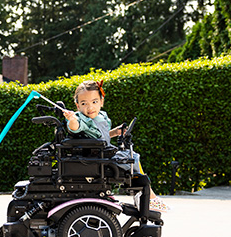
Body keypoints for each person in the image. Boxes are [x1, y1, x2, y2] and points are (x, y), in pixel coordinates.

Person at [62, 80, 169, 212]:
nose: (90, 107)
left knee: (132, 158)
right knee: (133, 158)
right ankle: (150, 197)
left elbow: (103, 136)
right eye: (84, 104)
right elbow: (75, 128)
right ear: (78, 106)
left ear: (101, 101)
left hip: (104, 153)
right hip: (96, 157)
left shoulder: (102, 116)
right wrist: (72, 119)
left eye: (94, 102)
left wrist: (116, 132)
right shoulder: (82, 119)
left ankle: (142, 195)